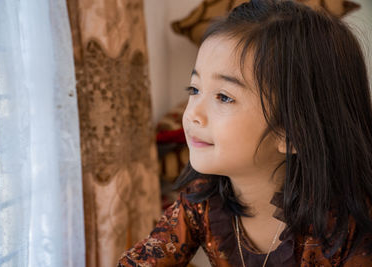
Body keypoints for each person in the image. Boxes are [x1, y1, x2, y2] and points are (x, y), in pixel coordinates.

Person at [118, 0, 372, 266]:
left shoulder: (346, 226)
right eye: (194, 90)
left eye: (224, 97)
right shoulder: (202, 199)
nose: (193, 113)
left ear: (293, 133)